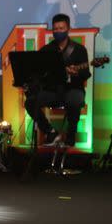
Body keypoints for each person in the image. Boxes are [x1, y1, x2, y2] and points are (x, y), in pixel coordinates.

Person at [23, 13, 90, 147]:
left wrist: (75, 73)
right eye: (56, 29)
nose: (58, 31)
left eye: (61, 28)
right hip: (53, 91)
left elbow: (85, 74)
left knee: (75, 99)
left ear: (68, 29)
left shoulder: (79, 50)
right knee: (30, 102)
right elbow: (39, 73)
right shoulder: (46, 50)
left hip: (72, 89)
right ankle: (51, 132)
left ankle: (70, 138)